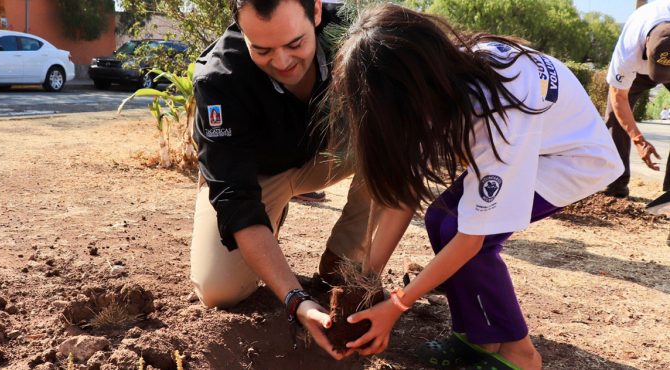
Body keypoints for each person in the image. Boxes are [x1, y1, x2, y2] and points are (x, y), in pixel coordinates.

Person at [325, 4, 623, 369]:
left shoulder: (494, 111)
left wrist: (398, 303)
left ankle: (520, 354)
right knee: (439, 219)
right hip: (534, 142)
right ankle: (479, 336)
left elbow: (471, 240)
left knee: (464, 236)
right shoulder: (438, 77)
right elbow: (404, 193)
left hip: (570, 159)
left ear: (408, 90)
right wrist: (368, 280)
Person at [190, 0, 377, 360]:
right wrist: (297, 302)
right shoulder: (220, 80)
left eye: (295, 44)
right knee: (219, 290)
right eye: (261, 49)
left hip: (325, 157)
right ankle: (271, 217)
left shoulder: (356, 30)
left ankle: (344, 260)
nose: (282, 62)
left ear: (317, 12)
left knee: (391, 137)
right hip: (255, 179)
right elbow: (236, 200)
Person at [602, 0, 670, 198]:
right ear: (647, 43)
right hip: (637, 72)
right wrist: (639, 140)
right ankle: (615, 184)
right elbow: (619, 97)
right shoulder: (628, 49)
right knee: (615, 116)